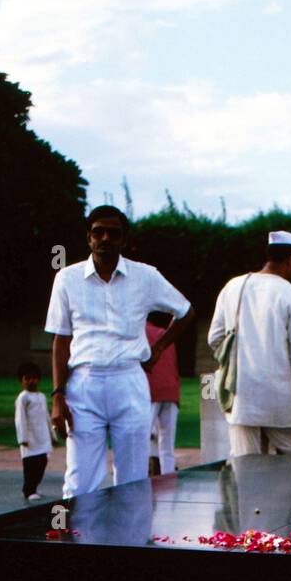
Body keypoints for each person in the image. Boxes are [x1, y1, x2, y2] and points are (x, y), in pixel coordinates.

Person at [46, 206, 193, 498]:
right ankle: (77, 541)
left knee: (133, 479)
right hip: (83, 386)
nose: (105, 238)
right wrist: (57, 395)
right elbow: (61, 341)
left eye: (113, 233)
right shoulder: (67, 278)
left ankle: (128, 541)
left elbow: (185, 311)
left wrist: (159, 347)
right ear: (88, 237)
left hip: (129, 381)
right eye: (98, 232)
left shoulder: (145, 277)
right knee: (79, 480)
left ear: (124, 240)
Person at [209, 230, 291, 457]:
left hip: (240, 398)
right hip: (280, 404)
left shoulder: (232, 287)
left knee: (245, 470)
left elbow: (215, 338)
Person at [145, 313, 181, 474]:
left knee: (140, 444)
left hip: (151, 392)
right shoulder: (166, 335)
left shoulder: (138, 334)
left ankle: (138, 483)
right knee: (167, 448)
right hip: (171, 393)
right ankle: (169, 483)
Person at [15, 360, 56, 500]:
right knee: (30, 465)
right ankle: (28, 490)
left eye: (34, 378)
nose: (31, 381)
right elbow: (20, 418)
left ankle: (34, 488)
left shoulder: (42, 396)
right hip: (29, 438)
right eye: (27, 378)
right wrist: (23, 438)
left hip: (42, 437)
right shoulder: (23, 397)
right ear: (22, 380)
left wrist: (53, 436)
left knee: (42, 462)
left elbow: (47, 417)